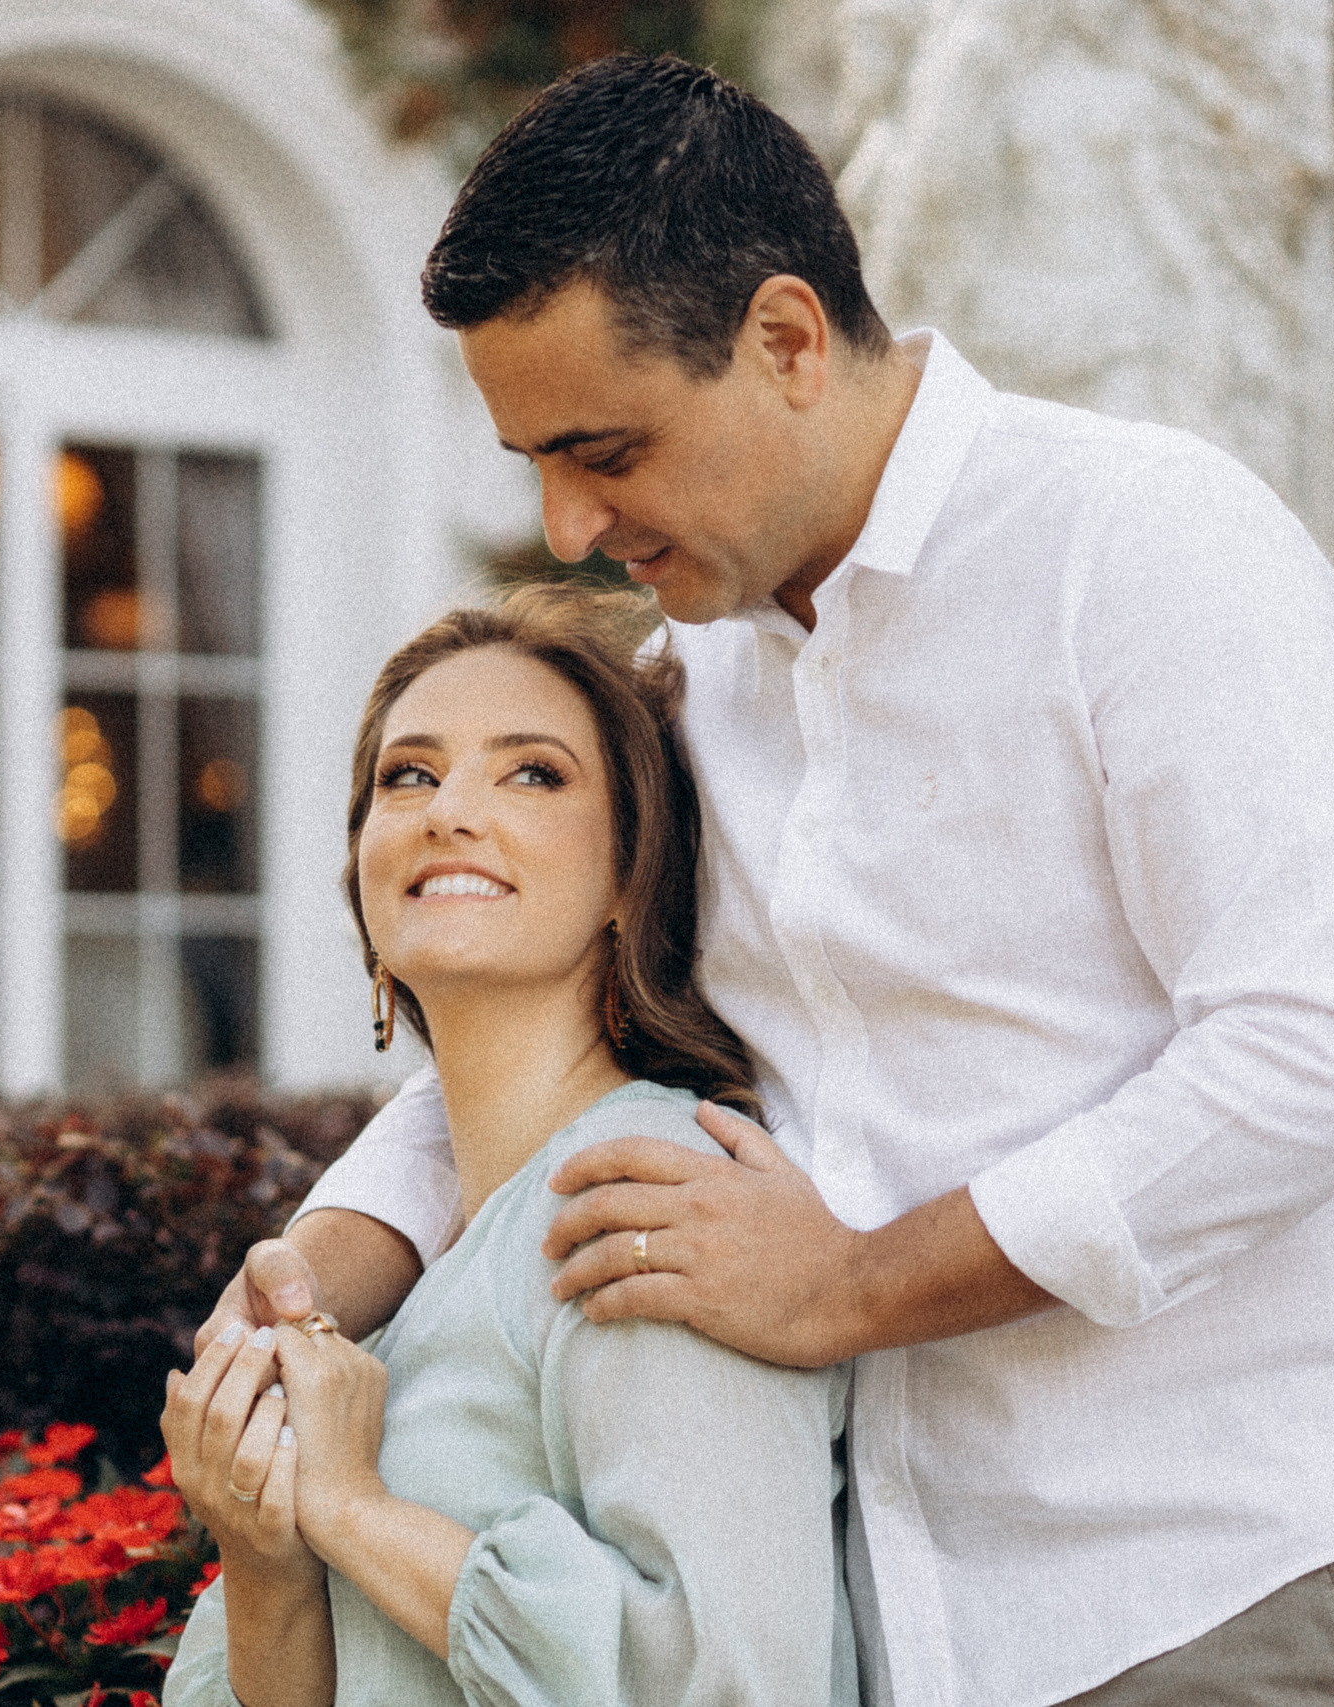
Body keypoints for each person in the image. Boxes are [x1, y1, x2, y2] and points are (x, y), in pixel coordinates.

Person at [200, 53, 1334, 1707]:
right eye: (533, 459)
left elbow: (1316, 1061)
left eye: (606, 450)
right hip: (920, 1613)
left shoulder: (1147, 542)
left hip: (1241, 1558)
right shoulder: (699, 672)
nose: (566, 521)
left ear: (788, 339)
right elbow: (564, 1017)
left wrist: (845, 1282)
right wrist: (311, 1277)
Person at [159, 588, 860, 1707]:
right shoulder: (397, 1279)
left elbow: (726, 1676)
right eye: (409, 775)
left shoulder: (651, 1201)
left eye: (532, 772)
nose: (449, 812)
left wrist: (356, 1512)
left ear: (633, 877)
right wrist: (267, 1551)